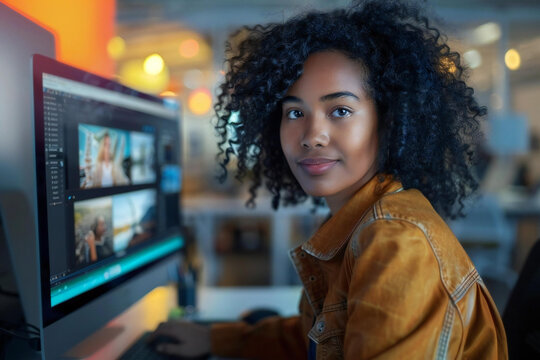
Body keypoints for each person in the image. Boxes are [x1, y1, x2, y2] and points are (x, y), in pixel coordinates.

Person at [150, 1, 508, 358]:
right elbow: (318, 338)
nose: (311, 136)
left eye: (340, 110)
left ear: (387, 123)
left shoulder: (398, 242)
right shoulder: (351, 220)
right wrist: (215, 339)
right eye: (294, 112)